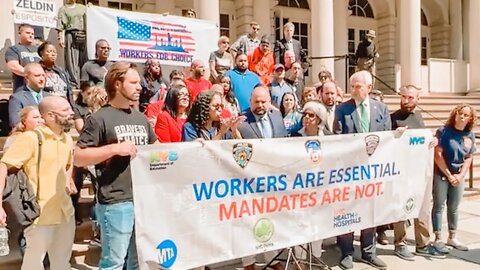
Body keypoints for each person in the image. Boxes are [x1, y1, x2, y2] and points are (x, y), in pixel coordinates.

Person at [74, 62, 158, 270]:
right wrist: (114, 149)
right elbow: (78, 157)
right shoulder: (98, 119)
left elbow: (159, 151)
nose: (140, 87)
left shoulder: (141, 119)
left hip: (142, 199)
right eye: (134, 82)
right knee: (114, 263)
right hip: (115, 202)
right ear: (117, 84)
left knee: (137, 262)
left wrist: (191, 149)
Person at [0, 96, 76, 270]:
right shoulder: (32, 138)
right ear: (50, 115)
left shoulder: (67, 139)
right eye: (65, 110)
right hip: (39, 215)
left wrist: (69, 178)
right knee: (33, 265)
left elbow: (68, 164)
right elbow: (4, 165)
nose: (71, 113)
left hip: (66, 212)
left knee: (62, 263)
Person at [333, 70, 390, 270]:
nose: (354, 90)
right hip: (349, 172)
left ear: (369, 88)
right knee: (347, 211)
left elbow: (387, 138)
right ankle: (346, 252)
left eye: (358, 86)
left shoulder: (381, 108)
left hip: (374, 171)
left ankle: (368, 252)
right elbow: (338, 139)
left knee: (370, 212)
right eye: (352, 86)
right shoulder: (342, 109)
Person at [388, 85, 445, 260]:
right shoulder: (393, 118)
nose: (406, 100)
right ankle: (400, 243)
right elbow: (385, 143)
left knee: (422, 207)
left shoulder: (419, 117)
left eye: (411, 97)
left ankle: (422, 244)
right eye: (403, 97)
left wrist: (433, 141)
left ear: (418, 99)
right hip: (400, 172)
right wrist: (394, 136)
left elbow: (423, 141)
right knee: (401, 208)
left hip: (419, 172)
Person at [237, 86, 286, 270]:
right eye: (256, 102)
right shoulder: (242, 121)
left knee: (270, 219)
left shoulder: (277, 116)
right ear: (250, 102)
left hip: (273, 179)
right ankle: (248, 261)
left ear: (269, 102)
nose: (259, 105)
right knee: (248, 221)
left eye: (263, 101)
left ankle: (272, 258)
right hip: (249, 181)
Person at [432, 104, 476, 253]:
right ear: (455, 114)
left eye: (465, 115)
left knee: (454, 207)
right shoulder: (443, 131)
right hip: (443, 173)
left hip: (459, 174)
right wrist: (449, 175)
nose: (462, 117)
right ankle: (438, 238)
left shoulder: (469, 134)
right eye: (460, 113)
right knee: (439, 205)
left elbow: (469, 157)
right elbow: (437, 155)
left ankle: (452, 236)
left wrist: (461, 175)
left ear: (470, 118)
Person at [56, 0, 88, 87]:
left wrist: (91, 8)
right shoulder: (63, 9)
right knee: (71, 60)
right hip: (71, 34)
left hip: (84, 34)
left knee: (84, 60)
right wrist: (60, 37)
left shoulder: (83, 7)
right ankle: (73, 82)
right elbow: (60, 24)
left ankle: (84, 83)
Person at [5, 23, 41, 92]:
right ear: (19, 33)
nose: (31, 35)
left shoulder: (38, 50)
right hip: (22, 89)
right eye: (28, 33)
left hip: (39, 90)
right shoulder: (13, 49)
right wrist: (32, 76)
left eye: (32, 34)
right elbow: (13, 66)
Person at [9, 63, 46, 128]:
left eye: (43, 75)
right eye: (37, 76)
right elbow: (15, 123)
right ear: (27, 78)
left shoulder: (50, 97)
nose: (42, 79)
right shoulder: (17, 98)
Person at [38, 41, 74, 106]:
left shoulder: (61, 71)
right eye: (49, 51)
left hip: (64, 106)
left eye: (54, 52)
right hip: (48, 106)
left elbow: (69, 92)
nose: (53, 54)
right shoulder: (37, 70)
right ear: (42, 54)